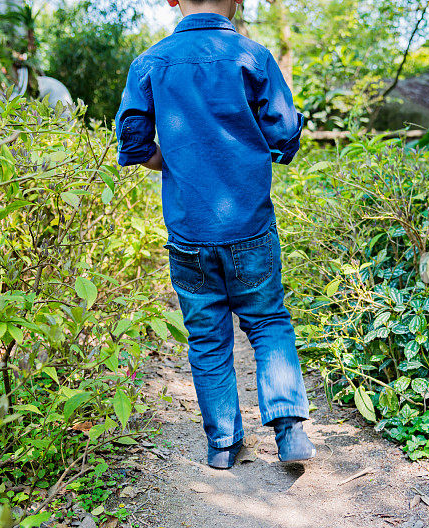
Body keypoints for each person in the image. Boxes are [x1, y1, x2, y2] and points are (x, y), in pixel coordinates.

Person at [114, 0, 316, 469]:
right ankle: (288, 430)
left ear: (172, 1)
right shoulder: (253, 56)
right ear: (239, 0)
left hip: (188, 232)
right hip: (250, 225)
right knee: (267, 322)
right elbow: (284, 135)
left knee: (206, 338)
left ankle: (223, 443)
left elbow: (133, 142)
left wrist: (172, 161)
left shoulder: (149, 63)